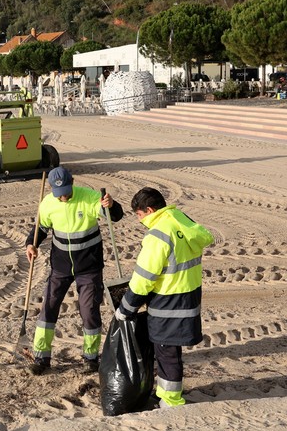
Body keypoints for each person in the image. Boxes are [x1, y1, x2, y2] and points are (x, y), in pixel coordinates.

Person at [116, 187, 214, 408]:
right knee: (170, 350)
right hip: (188, 295)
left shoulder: (158, 234)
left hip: (167, 301)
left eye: (140, 215)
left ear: (149, 210)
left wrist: (126, 307)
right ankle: (165, 393)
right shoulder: (180, 221)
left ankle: (171, 401)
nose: (140, 221)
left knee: (166, 352)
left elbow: (144, 278)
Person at [25, 166, 123, 374]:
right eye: (59, 194)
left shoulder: (90, 197)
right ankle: (41, 357)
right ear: (52, 189)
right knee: (48, 307)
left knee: (89, 311)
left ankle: (90, 357)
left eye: (67, 191)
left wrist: (111, 205)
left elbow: (115, 216)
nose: (63, 197)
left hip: (89, 267)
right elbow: (40, 229)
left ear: (73, 183)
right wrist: (30, 244)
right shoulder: (47, 203)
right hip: (60, 267)